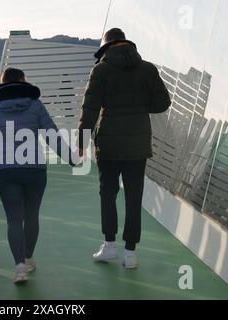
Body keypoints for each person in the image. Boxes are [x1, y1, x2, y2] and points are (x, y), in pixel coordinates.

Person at [78, 28, 171, 268]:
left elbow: (90, 109)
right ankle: (130, 254)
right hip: (138, 146)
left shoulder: (101, 70)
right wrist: (139, 107)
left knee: (108, 195)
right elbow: (163, 102)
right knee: (133, 197)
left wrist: (81, 142)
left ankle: (109, 246)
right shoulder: (148, 69)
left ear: (107, 47)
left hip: (109, 145)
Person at [0, 68, 74, 283]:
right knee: (31, 216)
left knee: (14, 218)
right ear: (23, 80)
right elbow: (52, 135)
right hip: (34, 168)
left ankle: (20, 268)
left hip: (5, 170)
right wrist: (71, 159)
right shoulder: (34, 104)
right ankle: (29, 258)